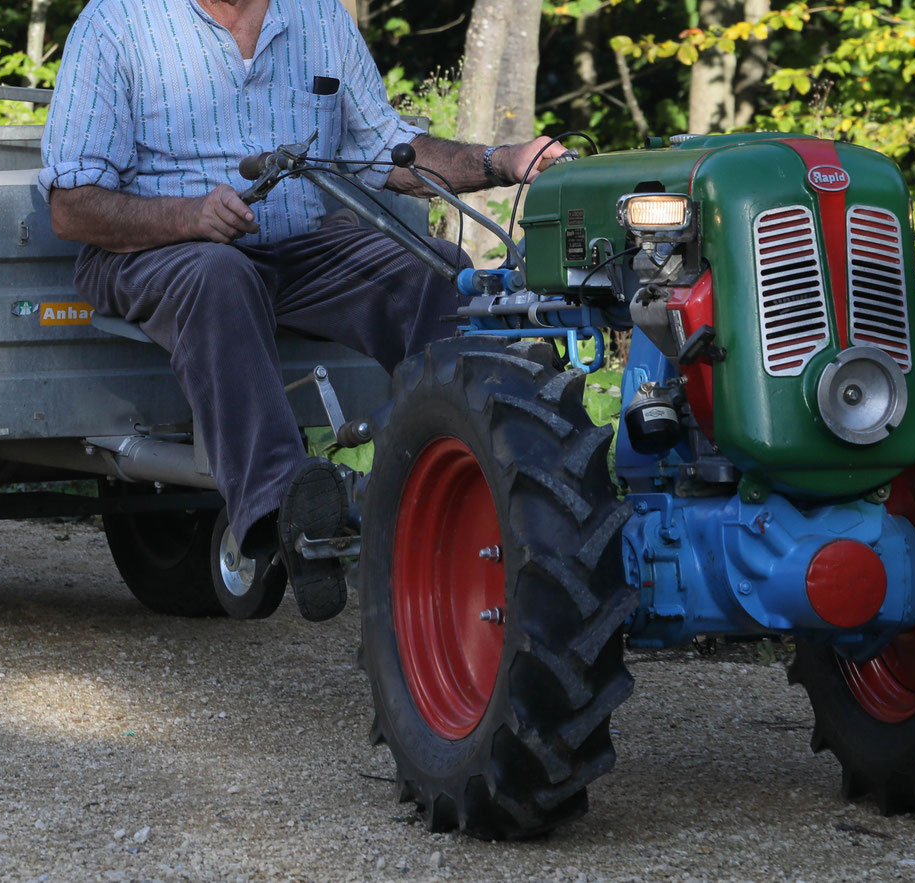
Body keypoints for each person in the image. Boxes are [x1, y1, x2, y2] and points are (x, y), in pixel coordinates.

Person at [40, 0, 572, 621]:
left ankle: (467, 486)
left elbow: (386, 148)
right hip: (153, 250)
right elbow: (71, 208)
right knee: (221, 275)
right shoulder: (118, 23)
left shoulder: (319, 17)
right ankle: (287, 514)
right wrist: (189, 217)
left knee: (436, 271)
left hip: (296, 249)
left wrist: (502, 161)